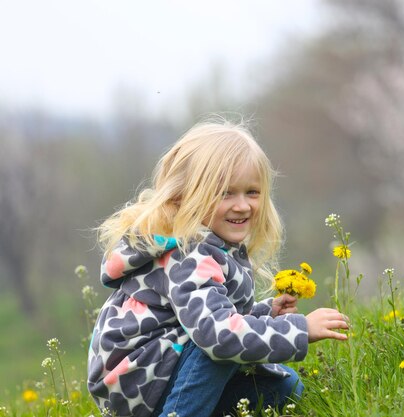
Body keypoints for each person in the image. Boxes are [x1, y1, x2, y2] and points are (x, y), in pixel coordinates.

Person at [87, 118, 349, 417]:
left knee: (283, 389)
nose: (242, 206)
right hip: (139, 383)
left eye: (252, 192)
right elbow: (218, 334)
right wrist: (299, 330)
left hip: (167, 370)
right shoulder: (190, 254)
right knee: (219, 345)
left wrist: (268, 312)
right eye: (225, 192)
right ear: (186, 195)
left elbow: (213, 311)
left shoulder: (216, 245)